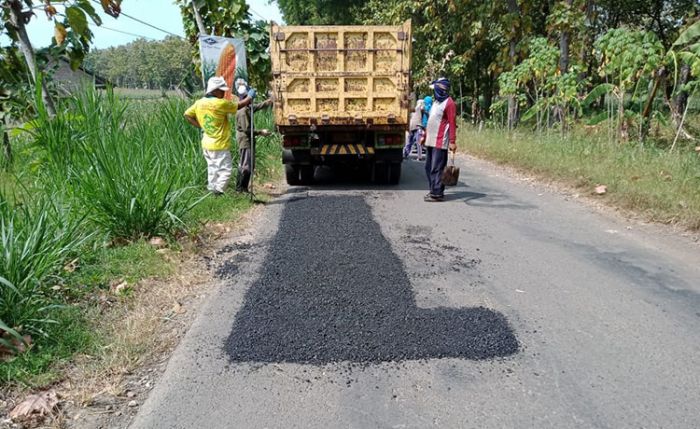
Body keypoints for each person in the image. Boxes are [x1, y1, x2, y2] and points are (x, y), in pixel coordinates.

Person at [184, 76, 255, 195]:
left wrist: (201, 126)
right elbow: (239, 105)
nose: (223, 92)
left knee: (212, 170)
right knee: (225, 171)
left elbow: (187, 115)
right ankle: (218, 193)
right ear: (215, 90)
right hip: (219, 145)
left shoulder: (199, 103)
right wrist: (250, 97)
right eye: (222, 90)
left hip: (206, 144)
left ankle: (211, 192)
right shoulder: (220, 103)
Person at [234, 79, 272, 193]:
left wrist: (270, 101)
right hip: (245, 140)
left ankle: (243, 189)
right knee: (246, 166)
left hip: (248, 139)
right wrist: (261, 132)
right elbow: (247, 130)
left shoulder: (248, 108)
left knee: (249, 164)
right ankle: (241, 189)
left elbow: (259, 106)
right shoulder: (242, 112)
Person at [423, 78, 457, 202]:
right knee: (428, 167)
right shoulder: (436, 103)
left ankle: (437, 193)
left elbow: (452, 123)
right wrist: (424, 136)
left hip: (440, 141)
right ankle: (433, 190)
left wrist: (452, 141)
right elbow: (431, 120)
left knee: (437, 168)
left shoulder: (450, 103)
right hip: (430, 140)